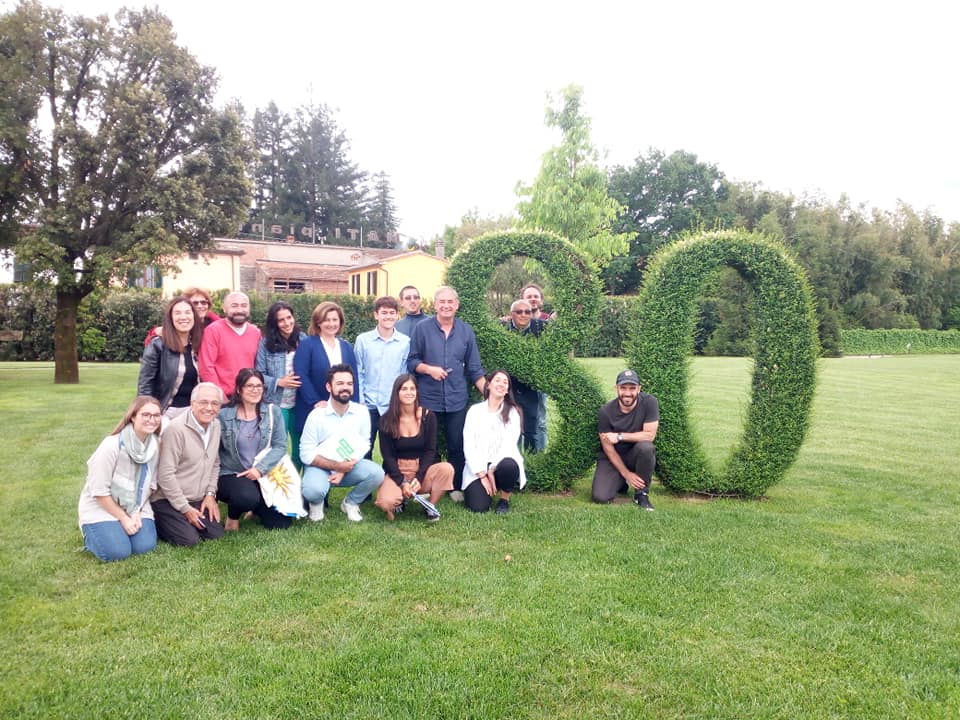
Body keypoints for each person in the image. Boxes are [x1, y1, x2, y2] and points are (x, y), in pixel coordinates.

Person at [407, 285, 485, 502]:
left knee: (456, 444)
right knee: (427, 446)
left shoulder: (466, 331)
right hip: (428, 398)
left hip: (457, 398)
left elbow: (475, 367)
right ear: (435, 305)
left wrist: (490, 395)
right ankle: (428, 485)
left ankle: (455, 487)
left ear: (456, 305)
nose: (446, 305)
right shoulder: (422, 329)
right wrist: (429, 369)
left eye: (450, 302)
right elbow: (412, 362)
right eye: (442, 301)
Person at [77, 396, 162, 561]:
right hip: (101, 505)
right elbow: (99, 491)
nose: (152, 420)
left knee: (143, 547)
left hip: (137, 505)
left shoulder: (155, 445)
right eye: (146, 415)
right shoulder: (111, 445)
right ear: (132, 416)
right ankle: (92, 531)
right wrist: (123, 518)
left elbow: (150, 486)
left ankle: (116, 529)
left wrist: (136, 512)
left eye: (156, 415)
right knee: (117, 552)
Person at [299, 364, 385, 523]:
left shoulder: (361, 412)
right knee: (313, 490)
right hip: (321, 467)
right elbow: (305, 453)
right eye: (340, 383)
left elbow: (365, 443)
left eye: (349, 384)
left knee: (377, 473)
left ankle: (351, 503)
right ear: (328, 386)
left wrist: (345, 467)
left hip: (348, 464)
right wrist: (336, 467)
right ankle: (316, 504)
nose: (345, 388)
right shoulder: (316, 415)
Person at [217, 368, 293, 531]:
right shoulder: (223, 415)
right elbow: (213, 451)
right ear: (239, 389)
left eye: (259, 386)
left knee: (280, 524)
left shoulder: (273, 412)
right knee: (246, 497)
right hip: (232, 473)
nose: (255, 390)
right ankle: (232, 517)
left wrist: (259, 469)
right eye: (250, 386)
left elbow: (280, 446)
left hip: (262, 474)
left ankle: (255, 507)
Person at [152, 382, 226, 545]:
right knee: (189, 540)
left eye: (214, 403)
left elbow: (215, 463)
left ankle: (183, 520)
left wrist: (210, 494)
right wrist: (185, 509)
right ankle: (158, 519)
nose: (209, 408)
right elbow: (165, 475)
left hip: (197, 497)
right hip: (167, 498)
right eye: (203, 402)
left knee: (216, 534)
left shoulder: (216, 425)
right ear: (192, 404)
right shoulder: (176, 430)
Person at [374, 374, 454, 522]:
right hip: (397, 469)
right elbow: (388, 456)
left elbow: (430, 450)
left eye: (412, 388)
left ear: (417, 391)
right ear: (396, 393)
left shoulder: (427, 416)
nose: (409, 392)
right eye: (404, 389)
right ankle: (400, 498)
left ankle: (430, 506)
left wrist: (419, 476)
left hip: (420, 468)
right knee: (386, 502)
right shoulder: (386, 420)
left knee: (447, 469)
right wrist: (402, 481)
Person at [591, 369, 659, 510]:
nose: (627, 393)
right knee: (600, 497)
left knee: (646, 448)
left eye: (632, 388)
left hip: (636, 453)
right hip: (613, 457)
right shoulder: (605, 411)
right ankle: (621, 482)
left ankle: (641, 494)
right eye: (623, 388)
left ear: (639, 389)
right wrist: (626, 473)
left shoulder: (649, 402)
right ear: (616, 388)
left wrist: (619, 436)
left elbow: (649, 435)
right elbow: (608, 449)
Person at [462, 369, 526, 514]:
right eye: (497, 380)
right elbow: (469, 444)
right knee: (478, 507)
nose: (501, 384)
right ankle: (486, 490)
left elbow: (509, 445)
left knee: (510, 465)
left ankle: (504, 499)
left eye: (505, 383)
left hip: (500, 464)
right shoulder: (475, 411)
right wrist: (482, 474)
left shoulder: (512, 413)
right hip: (478, 467)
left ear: (507, 390)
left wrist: (492, 469)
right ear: (488, 385)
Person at [293, 301, 359, 442]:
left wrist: (354, 406)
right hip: (315, 409)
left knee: (340, 451)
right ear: (318, 322)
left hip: (342, 411)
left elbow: (354, 379)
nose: (331, 324)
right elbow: (301, 374)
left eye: (335, 319)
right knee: (311, 455)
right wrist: (315, 401)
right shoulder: (307, 344)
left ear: (340, 322)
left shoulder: (346, 346)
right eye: (326, 320)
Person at [354, 296, 410, 459]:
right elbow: (357, 370)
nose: (388, 316)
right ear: (376, 315)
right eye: (384, 312)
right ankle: (367, 480)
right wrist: (361, 400)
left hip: (391, 405)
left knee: (392, 450)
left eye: (392, 313)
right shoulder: (363, 340)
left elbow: (404, 374)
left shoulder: (405, 342)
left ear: (397, 315)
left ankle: (390, 481)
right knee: (365, 447)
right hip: (368, 404)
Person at [255, 301, 306, 468]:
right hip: (277, 404)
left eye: (289, 318)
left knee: (301, 448)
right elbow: (258, 374)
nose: (287, 323)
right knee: (277, 448)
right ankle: (277, 488)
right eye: (281, 320)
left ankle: (297, 486)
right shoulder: (265, 344)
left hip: (299, 403)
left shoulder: (303, 339)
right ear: (274, 323)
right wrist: (279, 382)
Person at [137, 295, 204, 419]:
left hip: (193, 412)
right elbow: (145, 384)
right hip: (166, 411)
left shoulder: (198, 345)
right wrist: (148, 412)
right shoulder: (158, 345)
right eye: (177, 313)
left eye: (188, 312)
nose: (183, 317)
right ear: (170, 318)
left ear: (194, 316)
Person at [500, 298, 547, 451]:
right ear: (511, 314)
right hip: (509, 385)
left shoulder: (542, 327)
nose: (523, 315)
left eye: (528, 312)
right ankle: (512, 460)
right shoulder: (501, 328)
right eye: (519, 311)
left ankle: (534, 460)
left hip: (532, 385)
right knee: (509, 423)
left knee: (532, 425)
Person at [197, 291, 261, 399]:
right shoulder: (213, 331)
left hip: (249, 395)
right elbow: (206, 367)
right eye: (234, 306)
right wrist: (219, 395)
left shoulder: (255, 332)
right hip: (223, 397)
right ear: (224, 308)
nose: (240, 310)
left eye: (244, 306)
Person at [142, 287, 220, 347]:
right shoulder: (180, 324)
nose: (200, 306)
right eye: (195, 303)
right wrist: (155, 332)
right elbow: (150, 343)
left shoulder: (215, 323)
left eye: (203, 302)